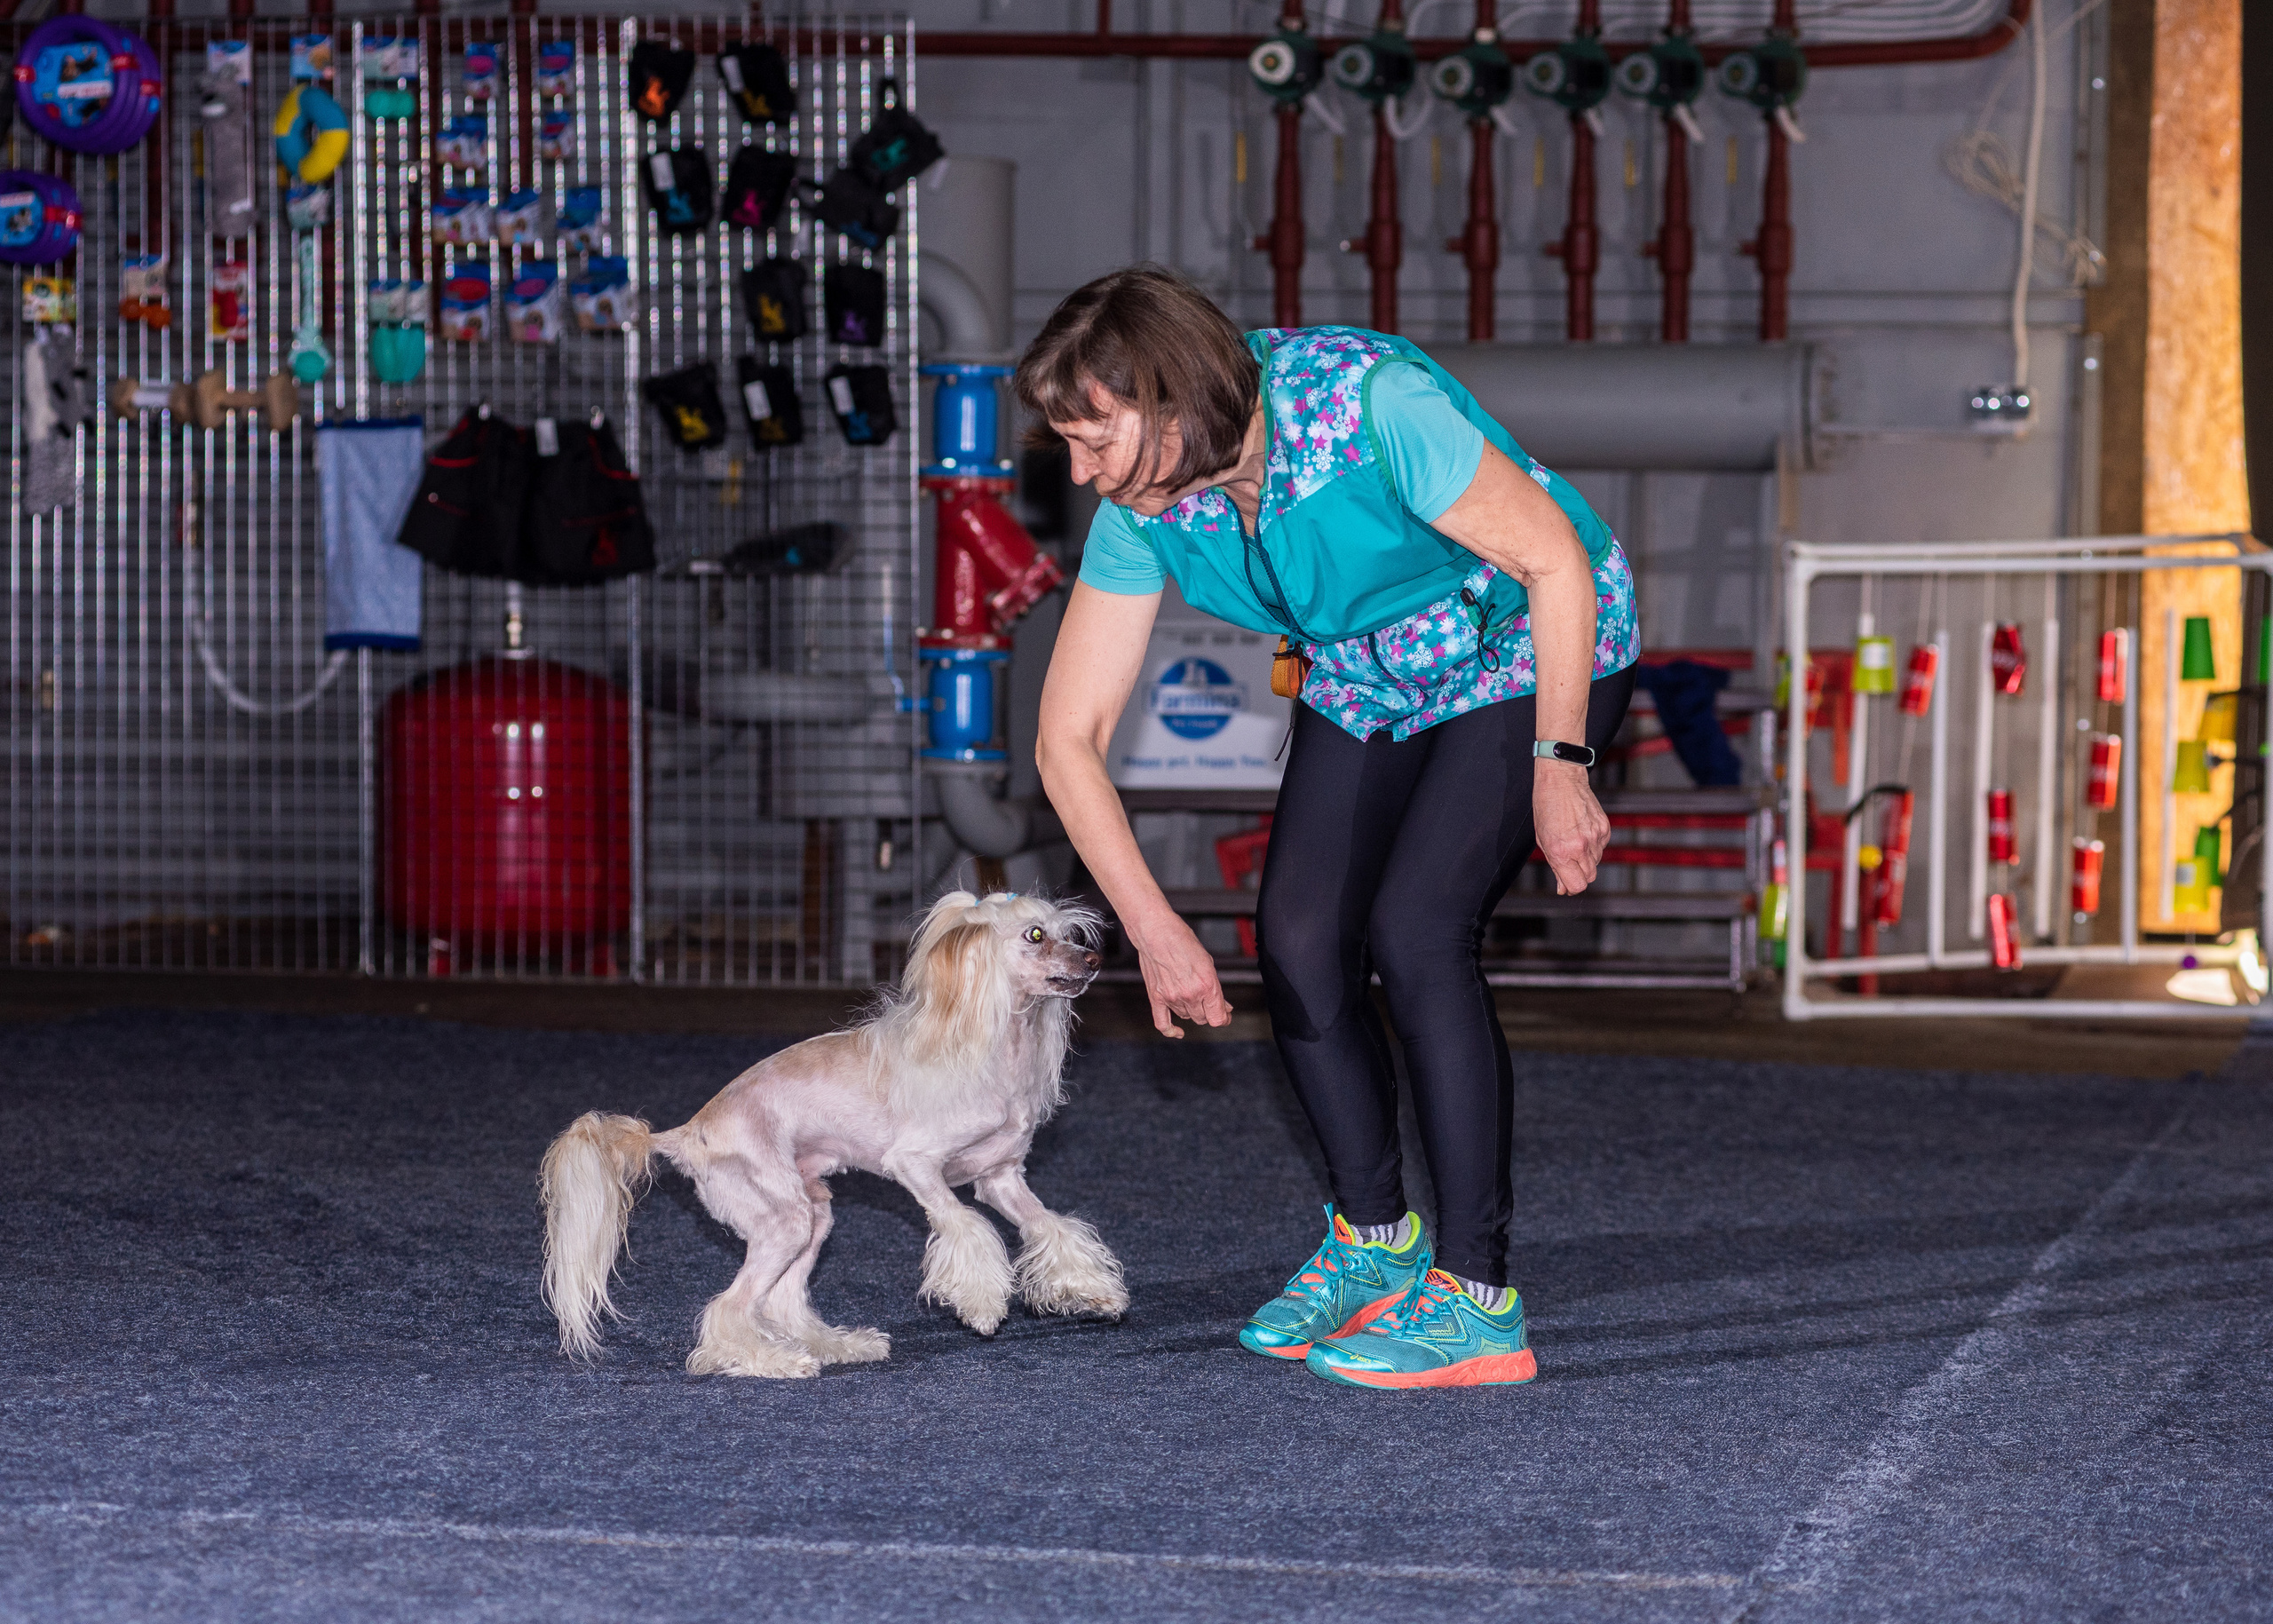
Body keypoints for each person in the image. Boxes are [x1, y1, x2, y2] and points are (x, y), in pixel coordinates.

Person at [1019, 266, 1639, 1390]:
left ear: (1173, 402)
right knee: (1299, 940)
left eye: (1094, 439)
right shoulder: (1144, 508)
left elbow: (1552, 560)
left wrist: (1560, 763)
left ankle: (1476, 1298)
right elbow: (1067, 740)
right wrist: (1153, 928)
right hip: (1366, 668)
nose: (1081, 472)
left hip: (1525, 638)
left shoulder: (1368, 406)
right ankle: (1372, 1244)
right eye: (1069, 444)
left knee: (1414, 932)